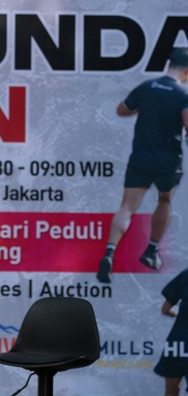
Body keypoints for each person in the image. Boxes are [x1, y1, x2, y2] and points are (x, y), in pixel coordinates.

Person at [97, 47, 188, 284]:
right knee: (164, 200)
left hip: (140, 158)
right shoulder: (183, 95)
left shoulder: (146, 88)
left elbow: (121, 110)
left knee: (126, 207)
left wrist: (143, 108)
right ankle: (151, 250)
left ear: (169, 65)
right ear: (186, 72)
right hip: (168, 161)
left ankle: (109, 253)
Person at [154, 268, 188, 396]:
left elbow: (165, 309)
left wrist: (174, 314)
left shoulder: (186, 274)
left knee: (171, 393)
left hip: (177, 343)